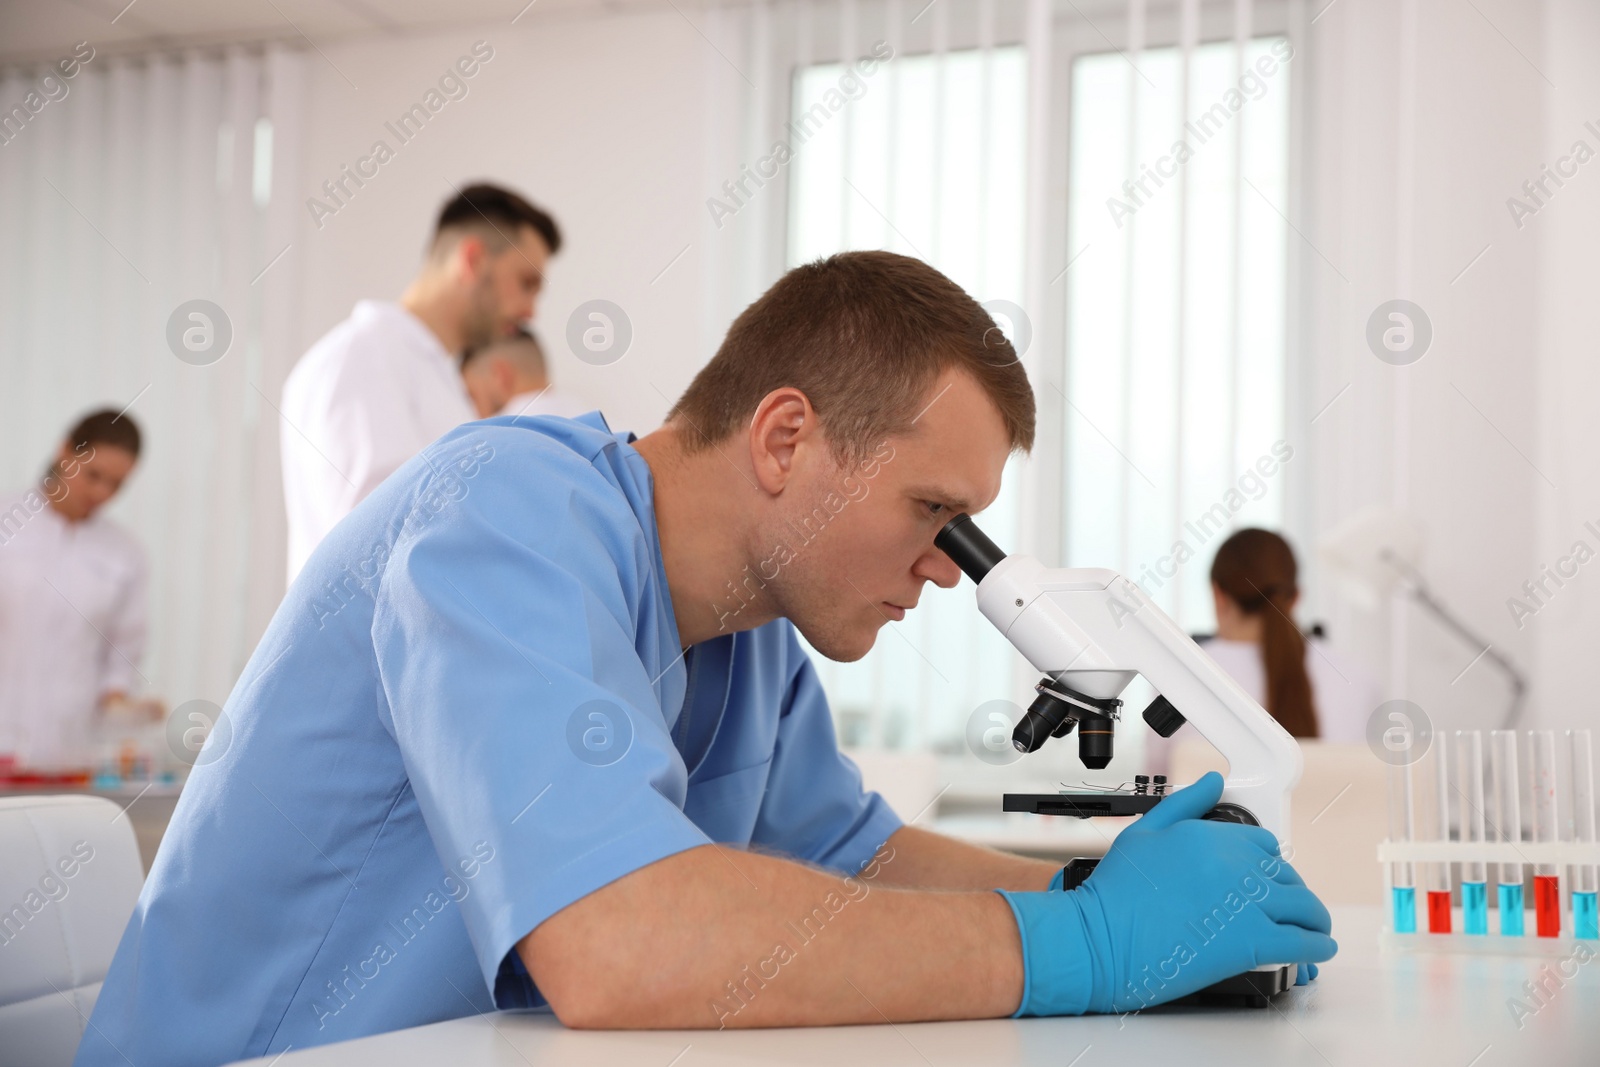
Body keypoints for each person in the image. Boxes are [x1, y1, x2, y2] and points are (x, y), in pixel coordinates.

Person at [77, 253, 1333, 1066]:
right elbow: (619, 942)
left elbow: (861, 857)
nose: (950, 567)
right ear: (787, 437)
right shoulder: (504, 509)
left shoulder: (743, 642)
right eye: (931, 512)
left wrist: (1088, 890)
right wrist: (1095, 950)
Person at [280, 182, 562, 582]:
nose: (531, 311)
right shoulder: (365, 357)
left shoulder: (432, 378)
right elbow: (378, 547)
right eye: (526, 283)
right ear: (473, 260)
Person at [0, 411, 158, 768]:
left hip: (69, 753)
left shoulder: (124, 553)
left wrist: (121, 702)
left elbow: (123, 651)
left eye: (117, 484)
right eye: (94, 475)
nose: (102, 493)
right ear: (65, 452)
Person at [1202, 528, 1379, 743]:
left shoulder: (1180, 676)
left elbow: (1158, 775)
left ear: (1218, 595)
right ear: (1295, 598)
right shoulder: (1357, 678)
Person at [460, 326, 591, 419]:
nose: (474, 410)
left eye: (472, 395)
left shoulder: (493, 440)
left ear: (501, 376)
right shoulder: (601, 424)